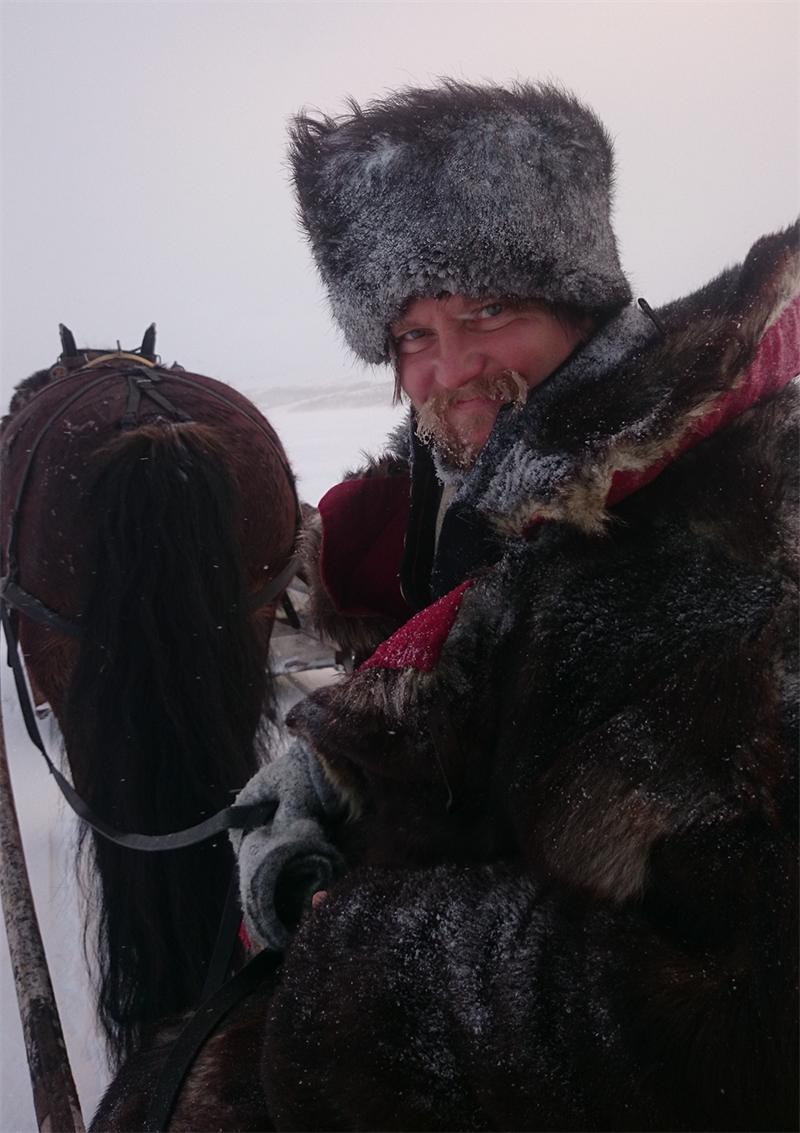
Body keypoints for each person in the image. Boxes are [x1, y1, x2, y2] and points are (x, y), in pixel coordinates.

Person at [235, 82, 800, 1130]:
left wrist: (365, 956)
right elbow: (483, 677)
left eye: (486, 309)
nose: (445, 368)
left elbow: (744, 1026)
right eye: (409, 331)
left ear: (579, 295)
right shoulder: (559, 504)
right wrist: (327, 780)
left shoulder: (744, 526)